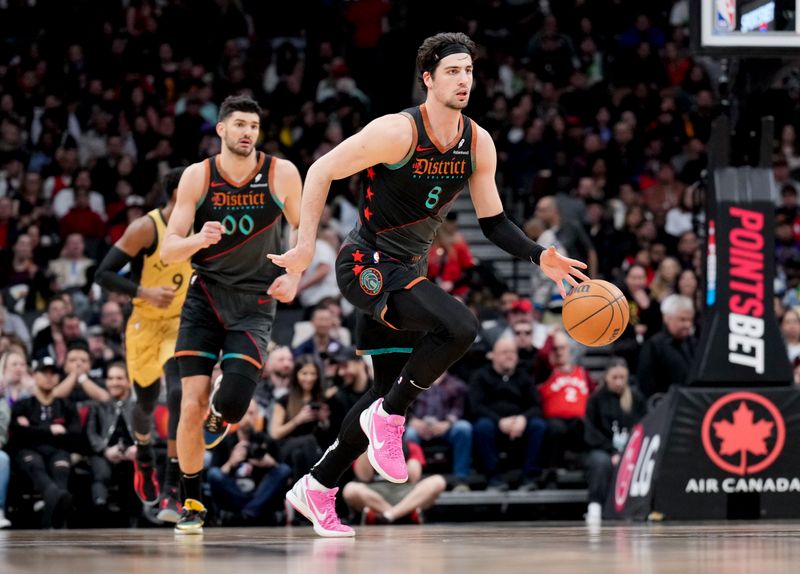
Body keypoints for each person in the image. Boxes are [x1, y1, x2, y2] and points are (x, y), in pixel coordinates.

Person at [270, 31, 588, 537]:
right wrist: (305, 245)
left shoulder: (477, 141)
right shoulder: (398, 132)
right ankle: (390, 419)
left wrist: (539, 255)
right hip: (366, 265)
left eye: (469, 71)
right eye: (453, 71)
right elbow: (321, 168)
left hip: (408, 273)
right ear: (428, 79)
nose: (464, 80)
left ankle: (317, 484)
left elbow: (493, 222)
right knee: (461, 326)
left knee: (380, 393)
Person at [161, 95, 302, 534]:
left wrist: (295, 274)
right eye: (239, 124)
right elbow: (169, 250)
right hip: (205, 298)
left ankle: (221, 416)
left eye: (254, 126)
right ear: (220, 129)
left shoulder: (281, 172)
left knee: (235, 402)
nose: (247, 132)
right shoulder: (197, 176)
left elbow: (304, 227)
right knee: (190, 405)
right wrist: (198, 240)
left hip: (257, 300)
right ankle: (191, 501)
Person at [95, 167, 191, 520]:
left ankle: (171, 487)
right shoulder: (145, 228)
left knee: (179, 392)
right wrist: (143, 292)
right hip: (143, 323)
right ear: (178, 193)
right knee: (146, 403)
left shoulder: (199, 229)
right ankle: (144, 452)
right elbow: (102, 273)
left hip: (179, 323)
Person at [207, 400, 292, 525]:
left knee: (283, 469)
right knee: (214, 473)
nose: (247, 417)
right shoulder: (224, 442)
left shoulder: (267, 441)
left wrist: (271, 463)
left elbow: (285, 475)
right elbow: (213, 477)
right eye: (243, 413)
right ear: (236, 416)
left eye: (251, 413)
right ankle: (253, 512)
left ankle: (246, 514)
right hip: (235, 495)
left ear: (257, 416)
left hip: (261, 492)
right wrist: (231, 463)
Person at [583, 358, 647, 524]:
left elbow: (644, 428)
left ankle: (643, 507)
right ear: (606, 377)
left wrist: (626, 453)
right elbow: (591, 432)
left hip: (631, 450)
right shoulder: (595, 400)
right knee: (600, 462)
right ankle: (595, 506)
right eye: (614, 377)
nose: (619, 382)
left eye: (622, 377)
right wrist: (612, 451)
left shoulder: (636, 398)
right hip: (603, 449)